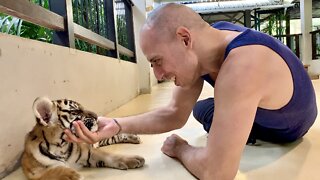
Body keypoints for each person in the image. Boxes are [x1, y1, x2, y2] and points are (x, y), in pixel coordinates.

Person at [65, 3, 317, 179]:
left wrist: (180, 148)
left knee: (214, 118)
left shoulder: (242, 65)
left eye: (157, 61)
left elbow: (217, 174)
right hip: (258, 103)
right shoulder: (208, 41)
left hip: (288, 128)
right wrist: (118, 124)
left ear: (185, 38)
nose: (158, 75)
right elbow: (175, 113)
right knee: (200, 109)